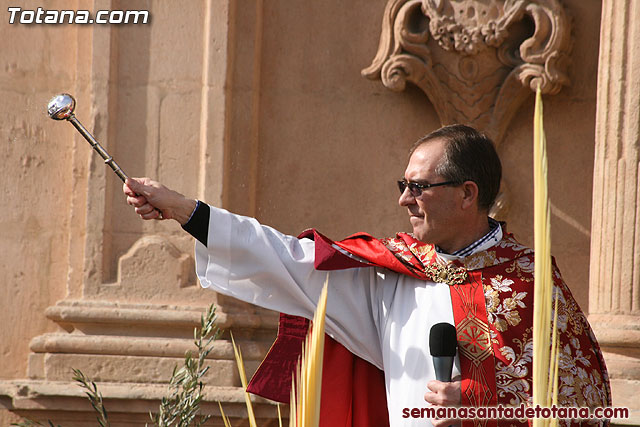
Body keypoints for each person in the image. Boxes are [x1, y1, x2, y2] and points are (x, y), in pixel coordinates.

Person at [123, 124, 611, 427]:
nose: (404, 200)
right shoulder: (392, 275)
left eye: (418, 187)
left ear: (467, 194)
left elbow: (581, 401)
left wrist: (481, 403)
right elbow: (289, 260)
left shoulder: (530, 281)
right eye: (404, 186)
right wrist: (186, 211)